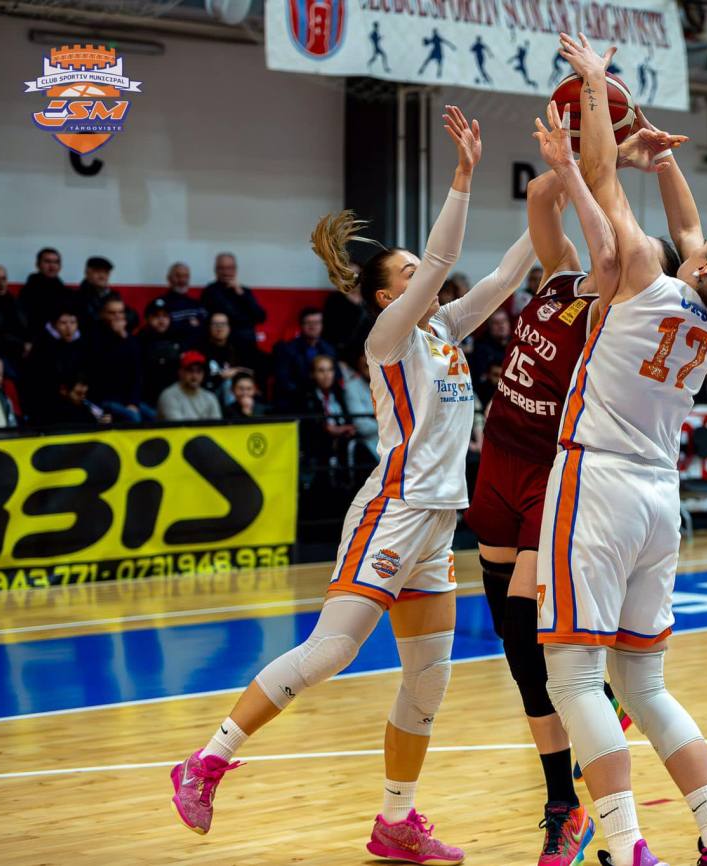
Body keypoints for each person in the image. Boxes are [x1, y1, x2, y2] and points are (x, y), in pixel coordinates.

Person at [169, 106, 535, 866]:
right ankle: (205, 761)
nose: (423, 274)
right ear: (387, 296)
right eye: (407, 273)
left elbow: (506, 275)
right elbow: (443, 257)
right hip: (392, 510)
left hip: (438, 523)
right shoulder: (389, 338)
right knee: (330, 652)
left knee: (428, 682)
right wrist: (464, 176)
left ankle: (395, 822)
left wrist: (560, 186)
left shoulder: (444, 330)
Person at [541, 35, 707, 866]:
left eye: (705, 247)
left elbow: (605, 181)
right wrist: (665, 159)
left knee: (574, 678)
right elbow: (692, 229)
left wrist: (596, 88)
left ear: (702, 269)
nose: (695, 241)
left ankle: (629, 846)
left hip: (595, 482)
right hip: (657, 501)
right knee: (646, 684)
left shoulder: (641, 271)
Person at [464, 103, 691, 865]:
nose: (619, 248)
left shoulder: (611, 301)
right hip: (498, 456)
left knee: (527, 629)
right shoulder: (561, 273)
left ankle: (564, 802)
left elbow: (605, 228)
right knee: (509, 634)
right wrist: (594, 157)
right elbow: (539, 198)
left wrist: (600, 161)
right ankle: (583, 743)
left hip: (552, 472)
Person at [89, 296, 149, 423]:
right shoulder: (94, 337)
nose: (117, 317)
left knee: (154, 416)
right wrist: (119, 338)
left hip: (127, 399)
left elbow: (137, 373)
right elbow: (102, 369)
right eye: (112, 313)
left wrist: (133, 402)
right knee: (134, 418)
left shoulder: (129, 338)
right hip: (105, 399)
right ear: (102, 314)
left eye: (121, 312)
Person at [24, 308, 86, 422]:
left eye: (73, 322)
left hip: (75, 399)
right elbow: (40, 380)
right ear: (54, 325)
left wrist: (81, 384)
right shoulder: (42, 346)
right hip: (47, 403)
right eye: (63, 323)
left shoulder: (81, 344)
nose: (69, 327)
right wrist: (67, 392)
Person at [202, 252, 267, 354]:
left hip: (245, 341)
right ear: (216, 270)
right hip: (222, 341)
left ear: (235, 269)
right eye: (222, 268)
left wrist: (241, 294)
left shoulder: (244, 291)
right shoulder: (210, 291)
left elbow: (261, 317)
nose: (226, 272)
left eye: (230, 268)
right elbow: (226, 316)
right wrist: (246, 318)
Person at [274, 307, 338, 406]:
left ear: (322, 325)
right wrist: (306, 394)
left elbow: (336, 377)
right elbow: (283, 381)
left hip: (326, 398)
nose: (313, 327)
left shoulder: (329, 349)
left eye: (317, 323)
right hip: (297, 400)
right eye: (308, 323)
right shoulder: (287, 350)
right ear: (301, 325)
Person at [139, 298, 184, 408]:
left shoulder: (178, 337)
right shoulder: (139, 340)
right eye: (156, 316)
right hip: (147, 398)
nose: (161, 320)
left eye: (165, 316)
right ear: (148, 318)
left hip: (175, 397)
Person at [157, 351, 223, 421]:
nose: (195, 376)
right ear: (180, 372)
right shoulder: (169, 396)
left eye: (199, 371)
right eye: (190, 370)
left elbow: (217, 425)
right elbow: (179, 426)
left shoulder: (210, 398)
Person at [18, 247, 67, 331]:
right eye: (47, 261)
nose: (52, 266)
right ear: (38, 265)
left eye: (56, 262)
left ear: (60, 266)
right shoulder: (29, 291)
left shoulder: (64, 291)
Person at [161, 262, 207, 344]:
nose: (182, 280)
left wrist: (179, 325)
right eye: (178, 276)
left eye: (186, 276)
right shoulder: (161, 305)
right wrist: (189, 325)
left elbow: (205, 326)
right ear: (169, 279)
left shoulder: (196, 304)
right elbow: (163, 330)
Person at [44, 372, 110, 426]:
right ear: (63, 390)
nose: (83, 397)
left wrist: (104, 421)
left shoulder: (87, 407)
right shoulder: (53, 413)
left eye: (85, 393)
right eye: (79, 393)